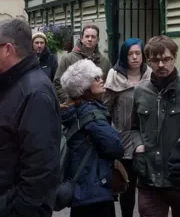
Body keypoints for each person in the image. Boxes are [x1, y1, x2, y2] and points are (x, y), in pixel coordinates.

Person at [0, 19, 61, 217]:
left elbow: (40, 167)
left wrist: (19, 211)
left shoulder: (35, 92)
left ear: (7, 49)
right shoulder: (6, 82)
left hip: (6, 206)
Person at [60, 59, 124, 217]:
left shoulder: (74, 110)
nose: (101, 80)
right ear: (84, 87)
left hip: (82, 189)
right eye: (95, 78)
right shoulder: (91, 114)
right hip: (95, 190)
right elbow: (116, 147)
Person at [131, 35, 180, 217]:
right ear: (148, 61)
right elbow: (134, 127)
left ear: (174, 58)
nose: (161, 65)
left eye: (166, 59)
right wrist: (138, 145)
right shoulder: (140, 91)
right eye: (156, 60)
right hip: (149, 178)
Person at [103, 38, 152, 217]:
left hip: (147, 138)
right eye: (130, 54)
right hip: (122, 139)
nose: (134, 57)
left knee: (148, 186)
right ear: (124, 56)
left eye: (137, 53)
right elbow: (106, 110)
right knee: (127, 185)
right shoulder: (114, 76)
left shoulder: (150, 75)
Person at [54, 24, 111, 103]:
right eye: (87, 36)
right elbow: (57, 84)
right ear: (81, 38)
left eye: (93, 37)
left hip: (98, 108)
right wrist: (69, 101)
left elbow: (108, 86)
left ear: (98, 40)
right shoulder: (68, 59)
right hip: (75, 108)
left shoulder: (105, 61)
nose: (90, 39)